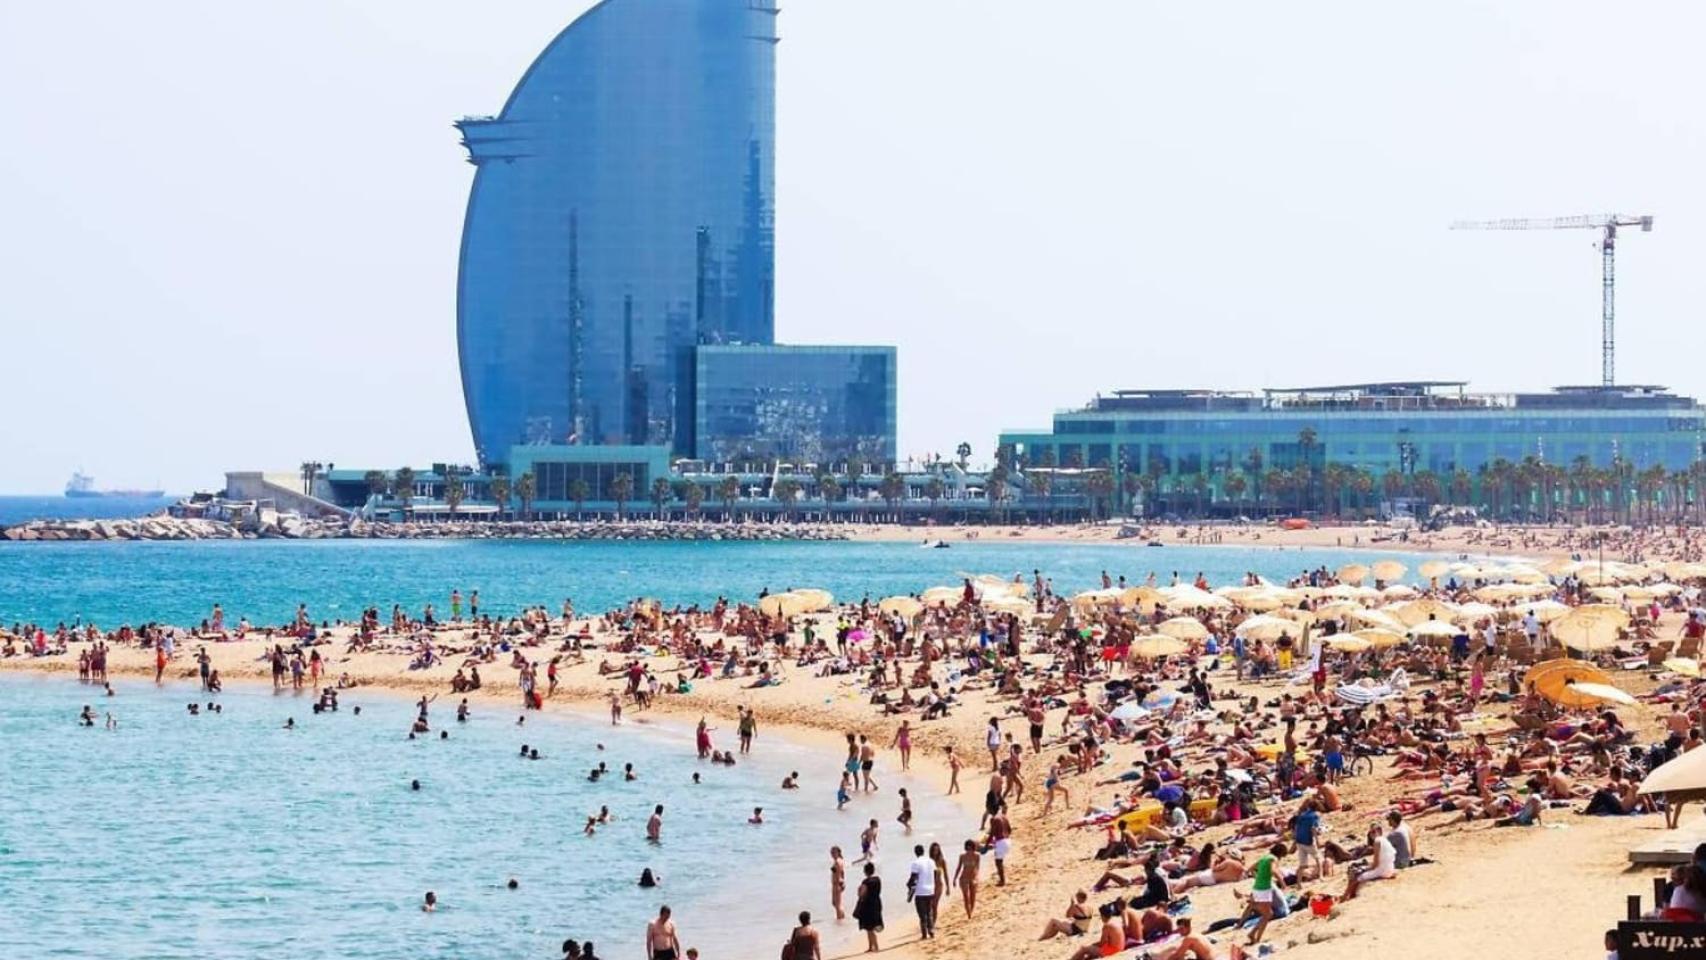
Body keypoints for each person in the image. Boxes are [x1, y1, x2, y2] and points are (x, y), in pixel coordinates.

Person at [1342, 823, 1397, 900]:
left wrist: (1364, 868)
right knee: (1359, 871)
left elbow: (1375, 865)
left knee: (1355, 876)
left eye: (1374, 831)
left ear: (1380, 831)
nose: (1372, 834)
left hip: (1383, 871)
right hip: (1390, 869)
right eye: (1371, 832)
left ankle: (1345, 897)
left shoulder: (1377, 841)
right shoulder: (1385, 840)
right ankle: (1350, 895)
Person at [853, 862, 883, 953]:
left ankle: (876, 947)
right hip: (877, 903)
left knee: (869, 927)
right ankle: (871, 946)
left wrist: (858, 891)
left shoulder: (866, 882)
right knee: (871, 926)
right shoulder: (878, 880)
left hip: (868, 905)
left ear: (865, 871)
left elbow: (861, 894)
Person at [953, 838, 982, 917]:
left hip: (973, 878)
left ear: (973, 847)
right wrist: (955, 878)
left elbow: (977, 867)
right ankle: (968, 913)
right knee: (966, 896)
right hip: (964, 878)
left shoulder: (977, 856)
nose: (969, 850)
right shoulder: (962, 856)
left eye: (971, 848)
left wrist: (976, 877)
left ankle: (971, 911)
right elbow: (959, 867)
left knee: (973, 896)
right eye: (967, 848)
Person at [829, 846, 848, 920]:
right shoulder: (840, 860)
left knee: (837, 904)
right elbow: (842, 873)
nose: (832, 854)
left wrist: (840, 882)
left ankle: (840, 919)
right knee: (835, 903)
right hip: (837, 883)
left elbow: (839, 873)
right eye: (831, 852)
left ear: (838, 852)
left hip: (837, 883)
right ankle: (842, 917)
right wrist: (843, 881)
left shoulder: (838, 862)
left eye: (834, 852)